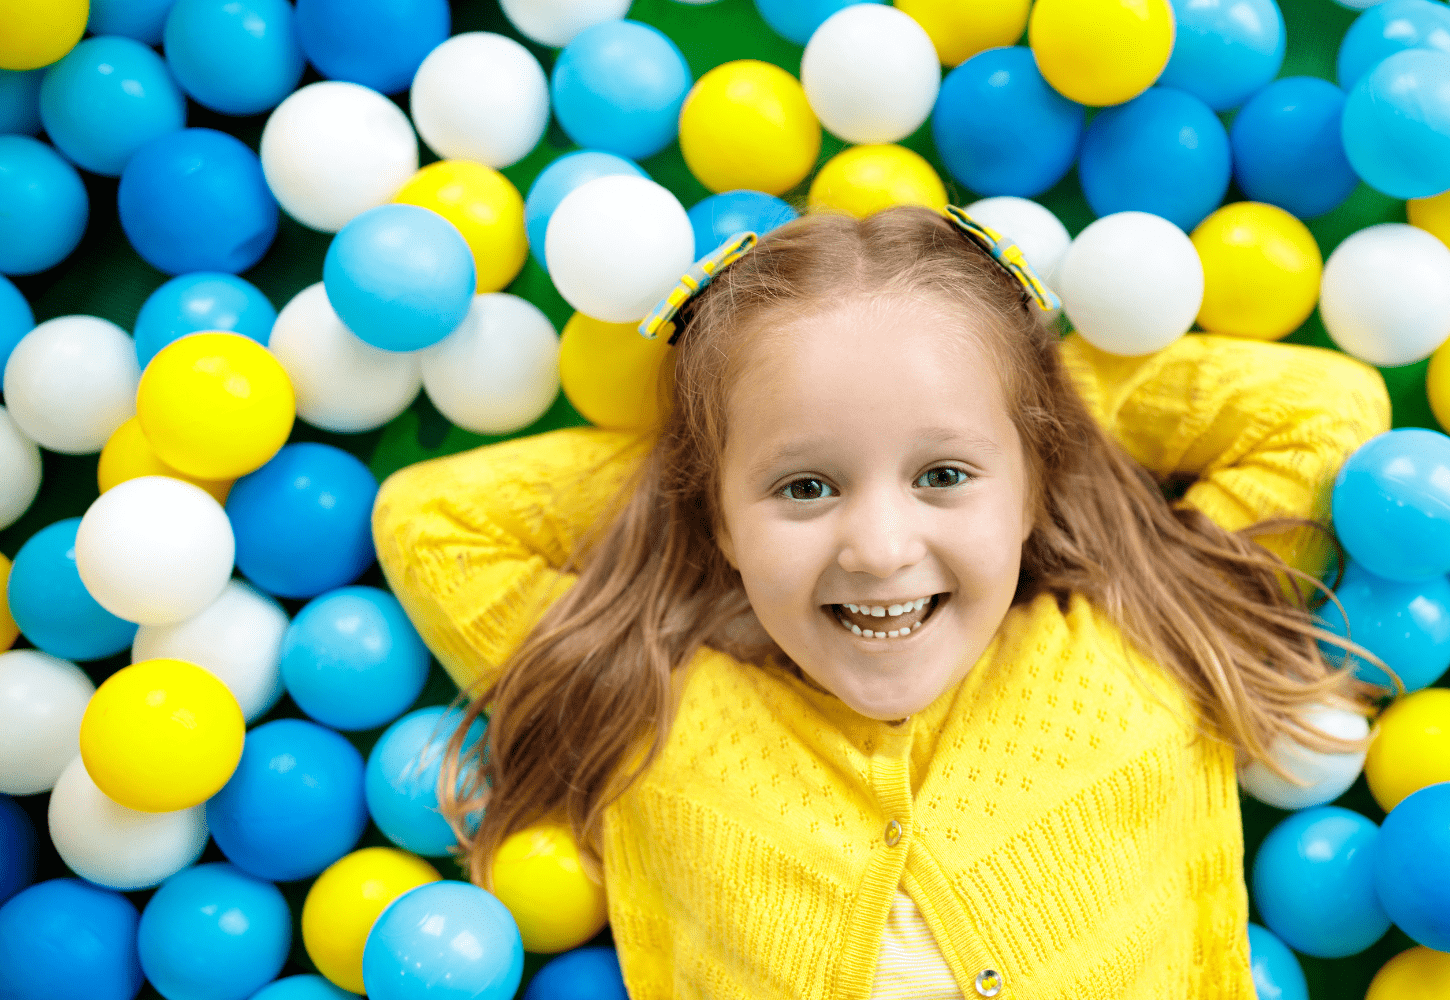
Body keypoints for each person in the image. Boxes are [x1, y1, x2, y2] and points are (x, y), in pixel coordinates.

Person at [372, 205, 1391, 999]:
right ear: (717, 520)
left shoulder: (1135, 640)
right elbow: (433, 518)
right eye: (804, 488)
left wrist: (1026, 389)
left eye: (945, 473)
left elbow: (1324, 416)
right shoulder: (663, 705)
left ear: (1036, 480)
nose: (879, 548)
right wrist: (712, 445)